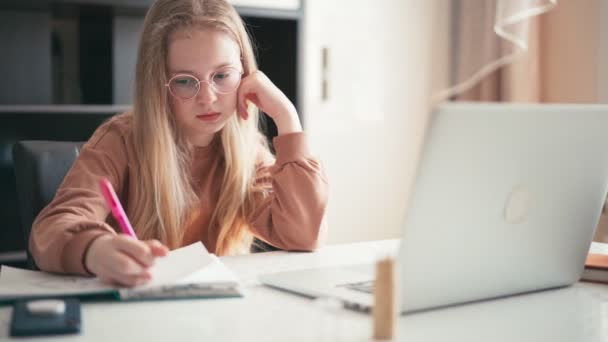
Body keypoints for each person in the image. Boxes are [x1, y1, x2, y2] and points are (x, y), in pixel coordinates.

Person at [30, 0, 328, 287]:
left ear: (246, 73)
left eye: (222, 75)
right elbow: (52, 228)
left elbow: (304, 236)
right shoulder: (119, 140)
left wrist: (288, 118)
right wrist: (95, 249)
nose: (208, 98)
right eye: (185, 81)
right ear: (156, 84)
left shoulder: (248, 152)